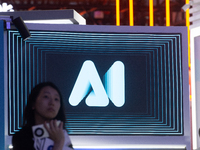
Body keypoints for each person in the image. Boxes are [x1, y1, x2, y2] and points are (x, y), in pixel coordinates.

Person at [12, 82, 73, 150]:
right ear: (33, 103)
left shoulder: (62, 134)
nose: (52, 103)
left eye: (56, 99)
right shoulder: (21, 137)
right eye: (46, 97)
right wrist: (58, 143)